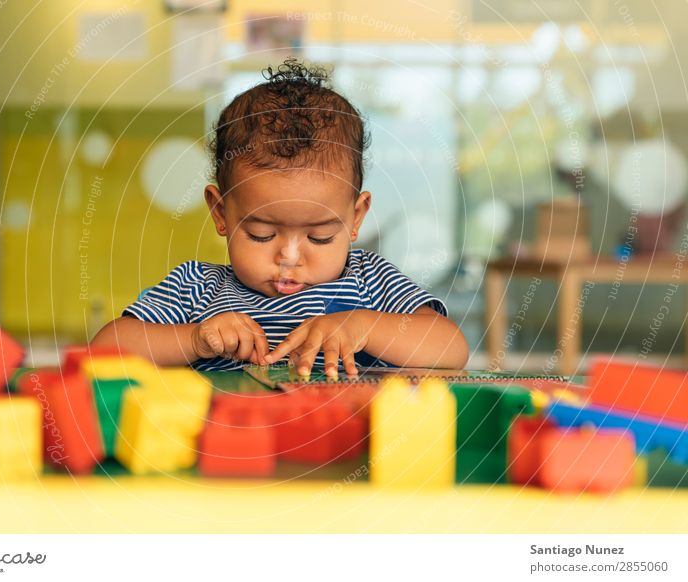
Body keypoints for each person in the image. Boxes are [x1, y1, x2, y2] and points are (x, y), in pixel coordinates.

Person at [92, 58, 468, 377]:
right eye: (260, 234)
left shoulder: (370, 283)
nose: (289, 257)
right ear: (221, 213)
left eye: (319, 237)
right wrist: (193, 339)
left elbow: (451, 348)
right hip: (231, 447)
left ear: (355, 218)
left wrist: (364, 326)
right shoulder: (197, 288)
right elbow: (105, 350)